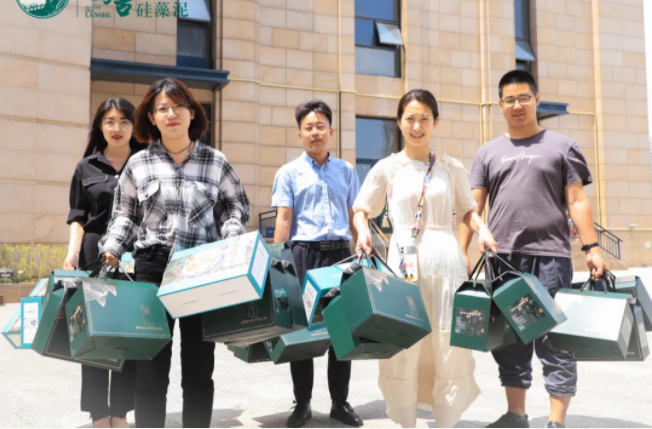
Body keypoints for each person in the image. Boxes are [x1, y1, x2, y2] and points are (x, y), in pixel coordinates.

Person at [99, 78, 250, 428]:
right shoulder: (139, 163)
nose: (171, 114)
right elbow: (125, 215)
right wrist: (112, 248)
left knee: (199, 366)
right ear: (152, 118)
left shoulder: (215, 161)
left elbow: (236, 206)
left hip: (201, 267)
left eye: (178, 106)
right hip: (152, 268)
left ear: (192, 112)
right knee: (150, 368)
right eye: (162, 109)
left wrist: (230, 239)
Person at [459, 69, 605, 429]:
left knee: (555, 340)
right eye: (509, 99)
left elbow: (577, 199)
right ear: (500, 105)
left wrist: (592, 247)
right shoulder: (487, 153)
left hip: (550, 257)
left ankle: (556, 421)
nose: (517, 105)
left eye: (524, 97)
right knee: (509, 340)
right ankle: (516, 415)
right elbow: (471, 208)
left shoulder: (562, 146)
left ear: (536, 100)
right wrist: (461, 251)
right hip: (503, 260)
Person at [353, 89, 496, 428]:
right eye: (410, 119)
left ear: (435, 122)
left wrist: (483, 229)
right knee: (403, 346)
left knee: (449, 343)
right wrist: (362, 232)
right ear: (399, 123)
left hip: (446, 263)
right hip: (402, 266)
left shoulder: (450, 168)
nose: (417, 126)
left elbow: (467, 210)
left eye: (424, 119)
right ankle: (407, 423)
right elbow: (362, 209)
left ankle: (446, 422)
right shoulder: (387, 168)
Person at [271, 100, 363, 428]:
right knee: (303, 333)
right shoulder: (288, 173)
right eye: (308, 127)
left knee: (342, 330)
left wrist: (362, 247)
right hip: (303, 255)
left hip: (340, 255)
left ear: (331, 131)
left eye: (320, 126)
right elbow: (284, 219)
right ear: (300, 134)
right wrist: (277, 263)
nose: (315, 132)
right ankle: (303, 404)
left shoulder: (346, 171)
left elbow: (354, 216)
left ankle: (340, 402)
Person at [64, 98, 145, 428]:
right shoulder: (86, 167)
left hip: (135, 257)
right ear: (100, 126)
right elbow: (78, 217)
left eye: (124, 121)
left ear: (134, 126)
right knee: (95, 334)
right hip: (94, 257)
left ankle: (120, 413)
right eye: (110, 121)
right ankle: (99, 413)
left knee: (129, 334)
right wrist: (72, 253)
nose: (117, 128)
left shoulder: (146, 162)